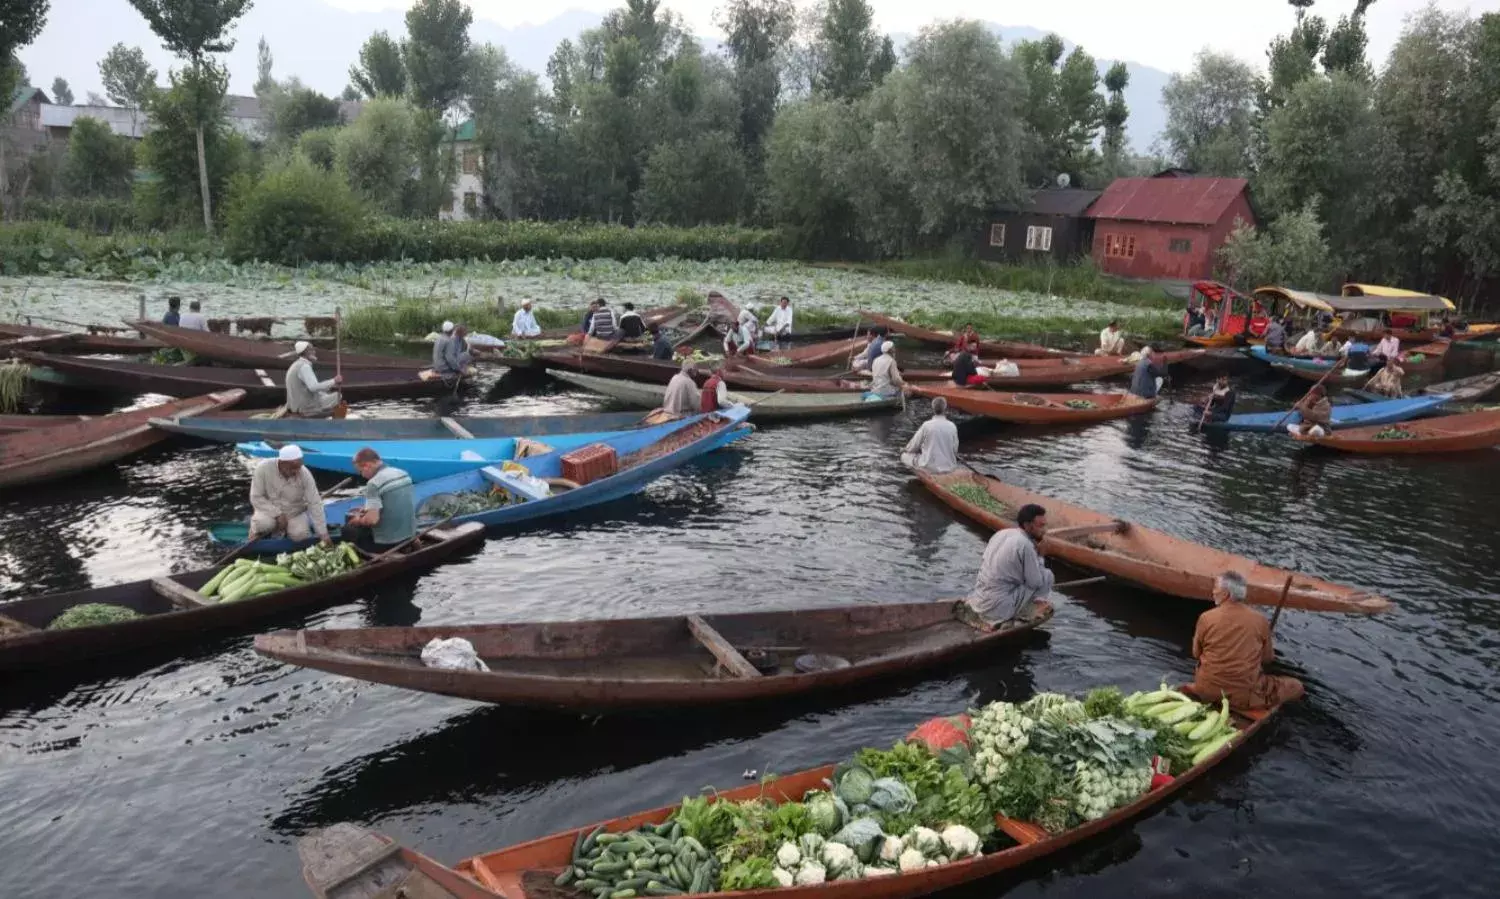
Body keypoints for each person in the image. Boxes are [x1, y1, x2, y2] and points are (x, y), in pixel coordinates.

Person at [1190, 571, 1305, 711]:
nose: (1213, 592)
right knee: (1296, 686)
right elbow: (1268, 658)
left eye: (1215, 588)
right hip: (1241, 696)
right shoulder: (1260, 620)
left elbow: (1196, 654)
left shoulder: (1206, 617)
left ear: (1226, 594)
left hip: (1205, 689)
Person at [962, 503, 1055, 629]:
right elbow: (1036, 582)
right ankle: (1028, 609)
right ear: (1027, 525)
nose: (1045, 530)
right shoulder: (1025, 544)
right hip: (998, 608)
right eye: (1041, 526)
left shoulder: (1002, 533)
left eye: (1045, 525)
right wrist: (1040, 555)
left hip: (981, 598)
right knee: (1047, 576)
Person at [248, 444, 331, 545]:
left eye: (299, 467)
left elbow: (315, 503)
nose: (296, 471)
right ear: (282, 463)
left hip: (294, 513)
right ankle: (255, 530)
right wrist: (277, 514)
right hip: (269, 512)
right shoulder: (263, 468)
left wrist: (323, 534)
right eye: (292, 468)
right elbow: (256, 497)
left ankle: (284, 530)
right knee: (263, 524)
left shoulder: (304, 473)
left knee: (301, 535)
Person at [342, 447, 416, 552]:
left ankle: (362, 557)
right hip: (409, 535)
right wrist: (367, 508)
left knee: (348, 530)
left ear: (367, 466)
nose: (362, 475)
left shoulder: (373, 484)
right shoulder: (402, 473)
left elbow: (372, 520)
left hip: (388, 543)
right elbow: (395, 503)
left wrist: (358, 520)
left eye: (361, 471)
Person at [285, 340, 343, 418]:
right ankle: (332, 420)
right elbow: (313, 387)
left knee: (325, 392)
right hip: (305, 407)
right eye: (311, 350)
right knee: (338, 396)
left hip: (294, 405)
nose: (314, 352)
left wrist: (329, 386)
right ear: (305, 352)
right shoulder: (304, 366)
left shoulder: (296, 364)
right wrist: (334, 381)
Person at [901, 397, 959, 473]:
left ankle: (923, 471)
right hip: (949, 467)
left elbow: (914, 446)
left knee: (904, 456)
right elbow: (955, 449)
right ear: (945, 408)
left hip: (930, 467)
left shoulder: (926, 425)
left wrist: (905, 449)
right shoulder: (952, 426)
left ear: (933, 408)